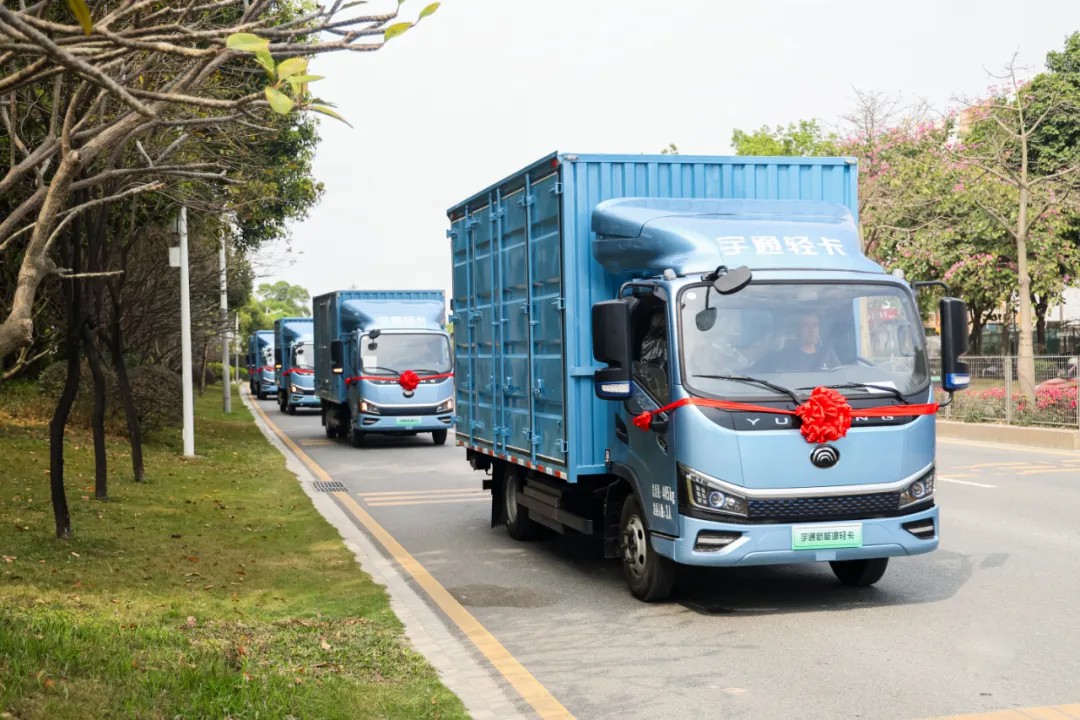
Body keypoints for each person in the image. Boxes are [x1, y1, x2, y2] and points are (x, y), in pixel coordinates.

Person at [757, 310, 839, 373]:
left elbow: (839, 376)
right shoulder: (784, 357)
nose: (812, 330)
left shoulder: (827, 353)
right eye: (805, 325)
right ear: (797, 330)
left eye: (815, 325)